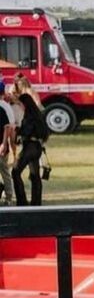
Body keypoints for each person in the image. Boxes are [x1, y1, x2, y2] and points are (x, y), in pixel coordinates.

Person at [11, 76, 47, 206]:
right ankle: (36, 202)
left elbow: (25, 132)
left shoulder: (28, 117)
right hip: (37, 147)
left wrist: (17, 130)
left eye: (20, 104)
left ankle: (22, 201)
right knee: (35, 175)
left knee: (15, 172)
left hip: (29, 147)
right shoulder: (37, 115)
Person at [0, 88, 17, 204]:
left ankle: (9, 196)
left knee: (4, 170)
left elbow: (7, 127)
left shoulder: (1, 109)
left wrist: (4, 143)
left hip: (0, 145)